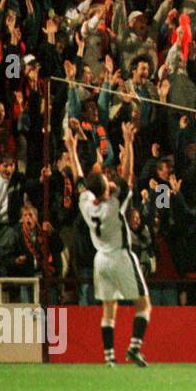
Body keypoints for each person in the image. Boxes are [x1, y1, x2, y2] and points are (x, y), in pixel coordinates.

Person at [70, 122, 151, 367]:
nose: (109, 178)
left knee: (109, 308)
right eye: (106, 179)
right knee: (144, 306)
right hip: (120, 256)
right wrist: (128, 141)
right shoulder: (114, 205)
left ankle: (109, 358)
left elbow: (79, 180)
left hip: (100, 260)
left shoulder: (86, 204)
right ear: (105, 189)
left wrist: (72, 149)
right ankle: (134, 348)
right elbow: (128, 177)